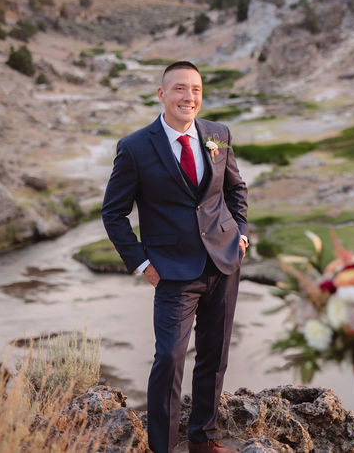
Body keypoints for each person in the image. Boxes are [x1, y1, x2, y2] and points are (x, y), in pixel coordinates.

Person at [101, 60, 248, 453]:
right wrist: (141, 262)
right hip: (171, 273)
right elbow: (113, 213)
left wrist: (241, 234)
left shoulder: (218, 134)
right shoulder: (134, 148)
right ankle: (162, 448)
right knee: (168, 359)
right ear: (161, 94)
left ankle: (203, 439)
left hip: (223, 262)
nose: (189, 97)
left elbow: (235, 189)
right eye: (180, 89)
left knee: (214, 357)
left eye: (196, 89)